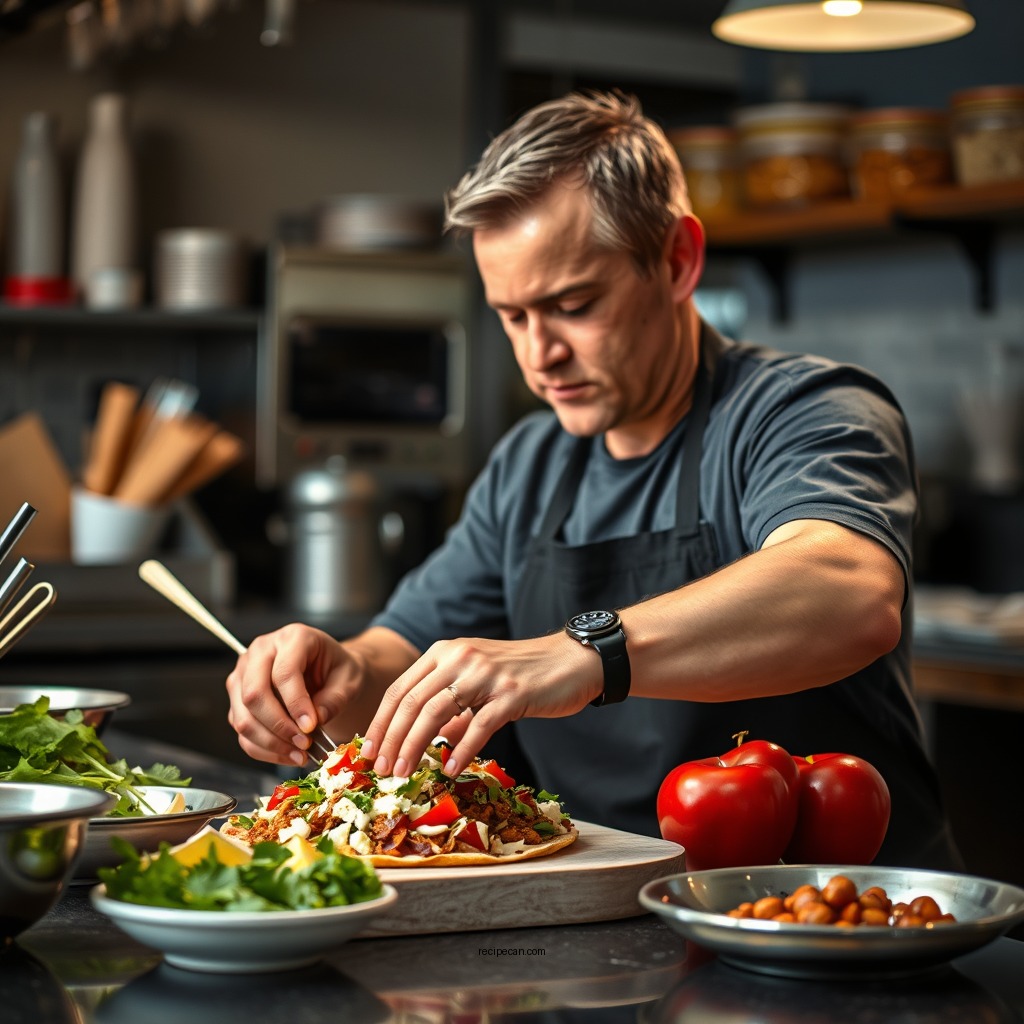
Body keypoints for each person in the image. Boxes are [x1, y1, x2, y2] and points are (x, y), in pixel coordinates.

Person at [226, 90, 961, 869]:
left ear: (677, 261)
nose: (539, 354)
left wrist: (586, 652)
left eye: (573, 305)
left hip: (834, 911)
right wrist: (339, 676)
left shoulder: (806, 409)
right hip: (608, 906)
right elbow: (398, 657)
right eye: (513, 316)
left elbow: (850, 590)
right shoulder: (527, 465)